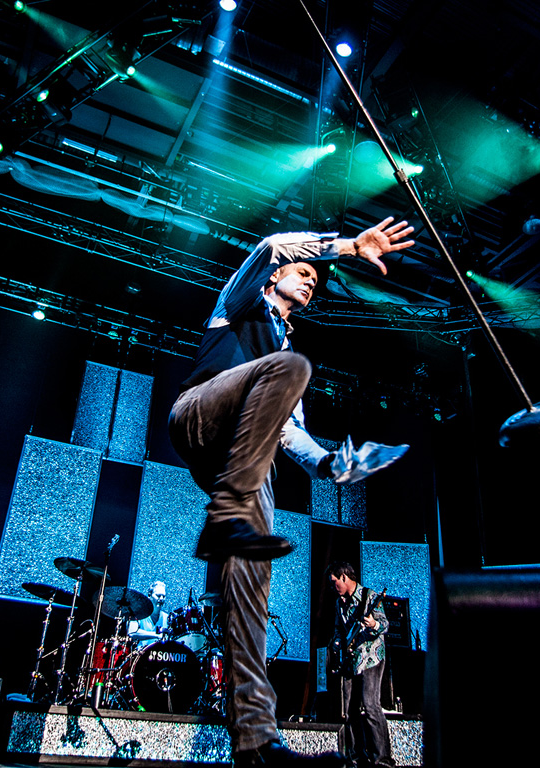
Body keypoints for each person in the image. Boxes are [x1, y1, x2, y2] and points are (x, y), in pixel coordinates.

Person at [168, 218, 415, 768]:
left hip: (239, 461)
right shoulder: (239, 303)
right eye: (303, 274)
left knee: (253, 583)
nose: (310, 282)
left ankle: (256, 740)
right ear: (276, 276)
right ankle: (231, 512)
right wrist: (348, 248)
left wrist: (335, 465)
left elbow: (291, 435)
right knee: (290, 369)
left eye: (315, 280)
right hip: (198, 417)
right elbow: (270, 245)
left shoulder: (286, 351)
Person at [326, 562, 394, 768]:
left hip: (371, 657)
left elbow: (385, 625)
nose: (333, 586)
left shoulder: (370, 597)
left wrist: (373, 624)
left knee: (371, 704)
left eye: (335, 581)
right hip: (350, 660)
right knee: (349, 709)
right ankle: (356, 756)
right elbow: (338, 629)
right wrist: (337, 643)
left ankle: (383, 759)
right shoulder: (339, 603)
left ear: (345, 577)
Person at [127, 580, 169, 648]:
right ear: (149, 596)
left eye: (163, 596)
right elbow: (131, 632)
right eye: (158, 596)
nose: (161, 599)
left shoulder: (167, 618)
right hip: (141, 655)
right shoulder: (139, 613)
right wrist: (157, 635)